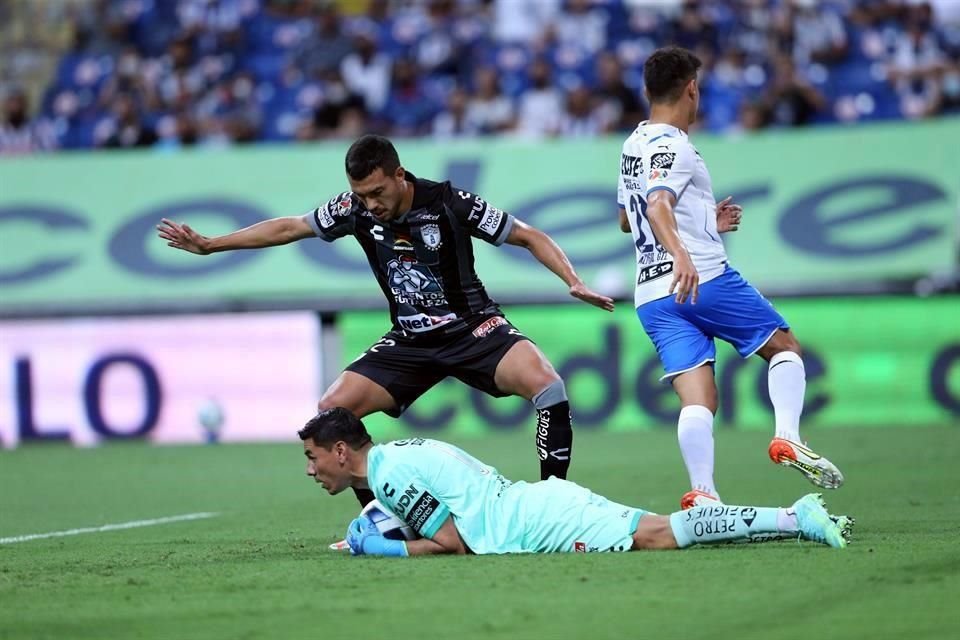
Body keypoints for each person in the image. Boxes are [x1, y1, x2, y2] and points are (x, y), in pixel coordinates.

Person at [158, 134, 614, 518]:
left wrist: (573, 281)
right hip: (409, 340)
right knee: (333, 411)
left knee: (549, 388)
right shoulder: (354, 209)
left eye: (377, 192)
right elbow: (289, 228)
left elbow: (528, 235)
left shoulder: (450, 202)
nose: (369, 204)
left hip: (472, 327)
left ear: (400, 175)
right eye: (361, 195)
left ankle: (554, 503)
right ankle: (381, 519)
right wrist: (212, 245)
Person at [616, 46, 844, 510]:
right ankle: (788, 437)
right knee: (784, 347)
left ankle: (704, 492)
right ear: (692, 89)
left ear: (646, 90)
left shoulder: (633, 144)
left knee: (697, 398)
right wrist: (684, 254)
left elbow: (628, 218)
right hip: (700, 278)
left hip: (651, 295)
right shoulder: (672, 145)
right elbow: (658, 205)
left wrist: (702, 219)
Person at [300, 408, 853, 556]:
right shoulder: (395, 456)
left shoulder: (388, 476)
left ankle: (793, 515)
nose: (310, 468)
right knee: (657, 531)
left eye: (312, 456)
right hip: (531, 504)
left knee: (659, 533)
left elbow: (452, 545)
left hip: (534, 521)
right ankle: (792, 520)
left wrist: (379, 550)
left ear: (341, 450)